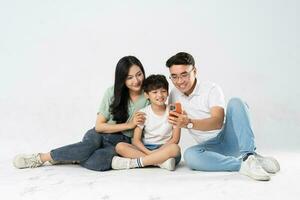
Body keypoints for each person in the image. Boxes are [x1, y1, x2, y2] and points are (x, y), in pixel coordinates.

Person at [13, 56, 149, 171]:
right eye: (129, 77)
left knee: (100, 161)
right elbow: (99, 127)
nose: (136, 81)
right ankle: (41, 157)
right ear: (122, 79)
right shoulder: (112, 92)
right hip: (100, 134)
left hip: (122, 142)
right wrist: (129, 125)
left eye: (139, 74)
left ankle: (73, 157)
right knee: (88, 146)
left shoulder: (150, 95)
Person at [166, 52, 280, 181]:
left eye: (184, 75)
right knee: (190, 156)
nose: (179, 81)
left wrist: (189, 123)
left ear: (195, 71)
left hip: (229, 138)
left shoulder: (211, 89)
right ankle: (245, 164)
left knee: (236, 102)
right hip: (210, 148)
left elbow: (217, 122)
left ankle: (249, 155)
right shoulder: (174, 95)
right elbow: (172, 124)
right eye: (174, 77)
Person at [111, 74, 181, 171]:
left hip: (166, 148)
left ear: (168, 92)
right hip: (146, 148)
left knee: (175, 149)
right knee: (120, 146)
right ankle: (160, 163)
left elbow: (175, 139)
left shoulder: (173, 110)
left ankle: (134, 163)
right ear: (147, 95)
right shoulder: (143, 113)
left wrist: (158, 152)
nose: (160, 95)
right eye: (155, 92)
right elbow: (136, 140)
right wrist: (149, 153)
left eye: (163, 91)